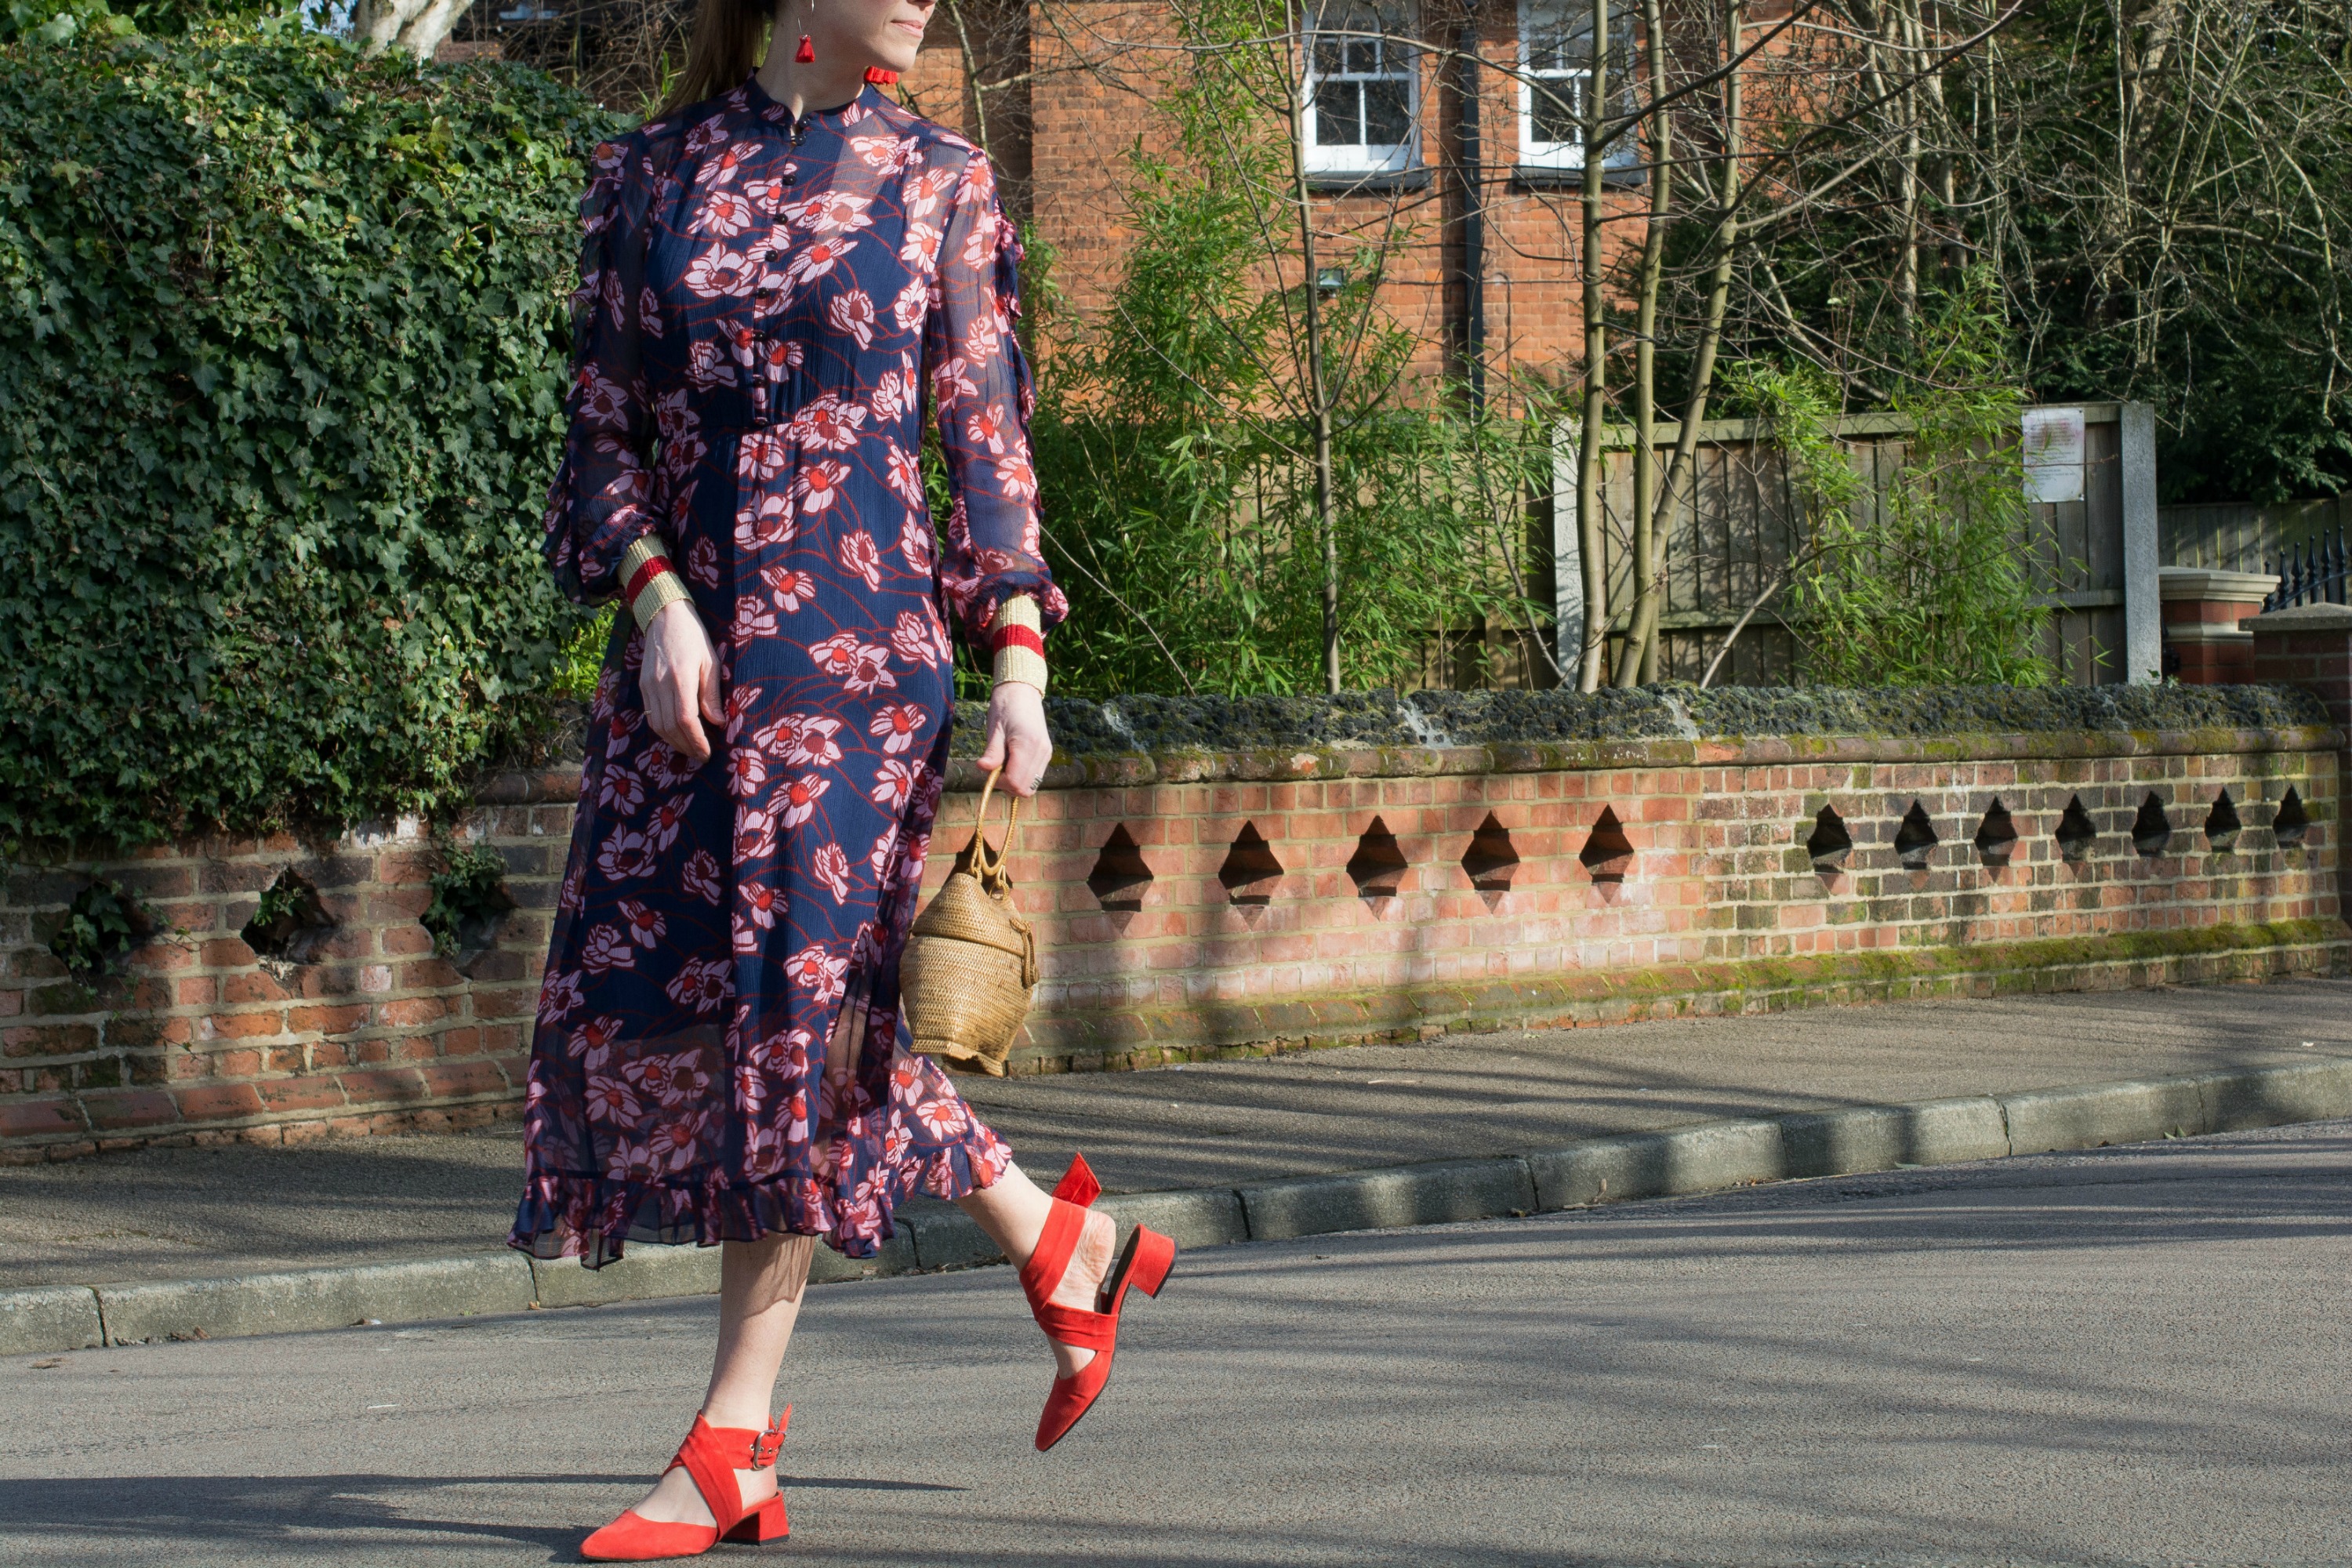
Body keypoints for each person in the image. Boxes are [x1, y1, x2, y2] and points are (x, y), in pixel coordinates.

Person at [509, 0, 1176, 1557]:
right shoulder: (651, 179)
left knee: (789, 1036)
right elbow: (599, 443)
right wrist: (654, 594)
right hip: (686, 685)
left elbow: (985, 435)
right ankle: (1061, 1243)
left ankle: (733, 1436)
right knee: (718, 1020)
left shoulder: (938, 176)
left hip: (864, 673)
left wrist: (1020, 653)